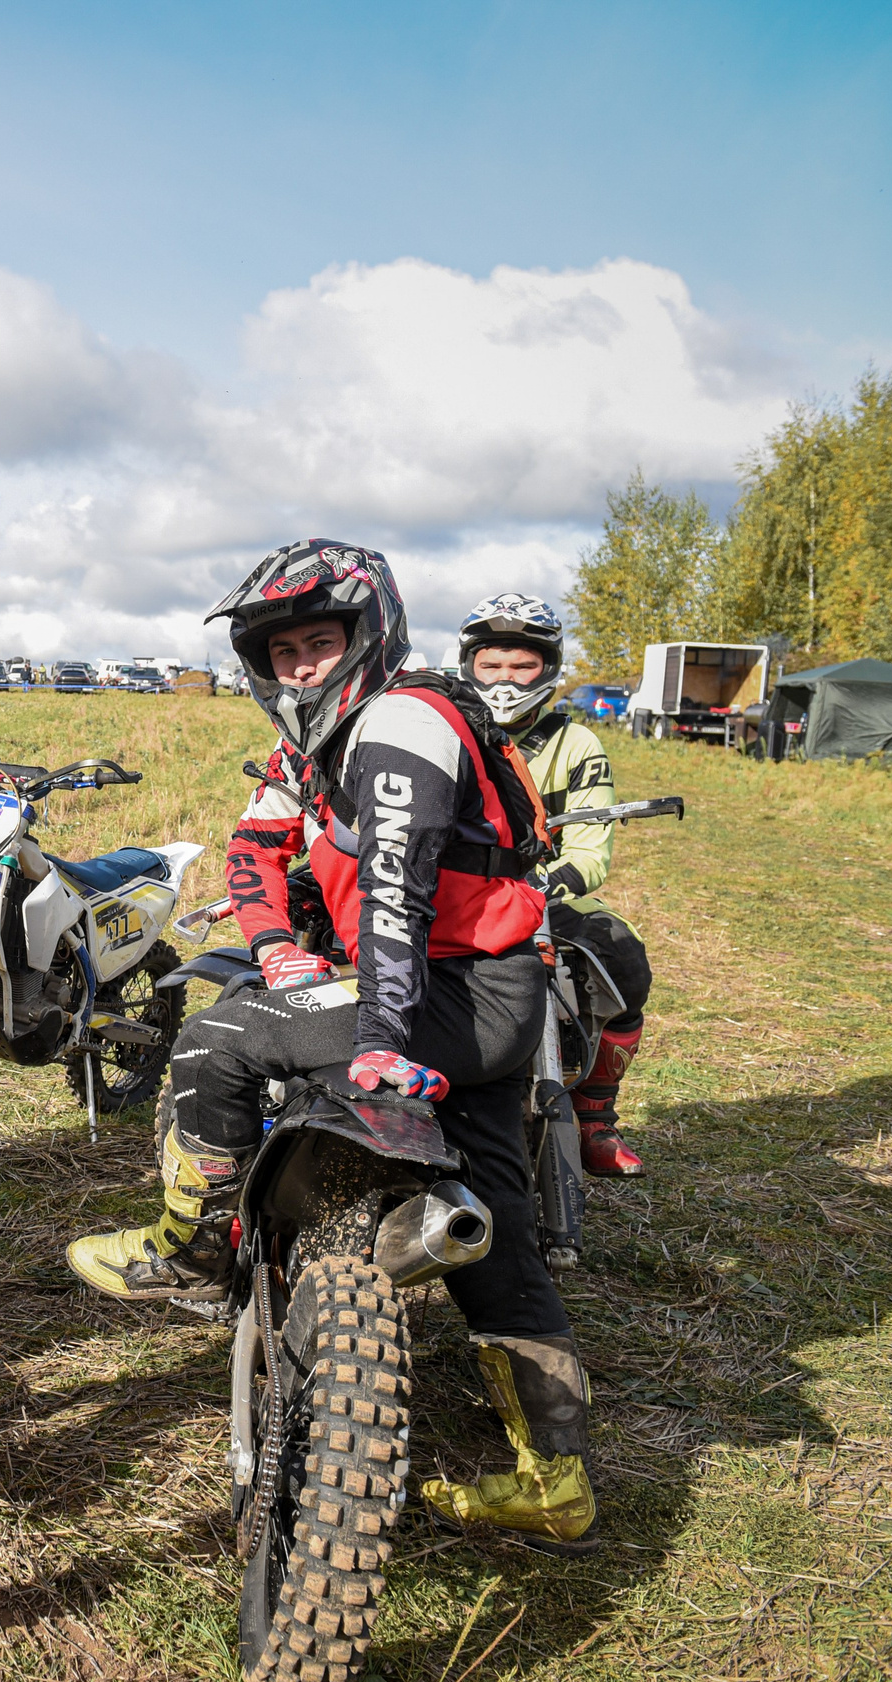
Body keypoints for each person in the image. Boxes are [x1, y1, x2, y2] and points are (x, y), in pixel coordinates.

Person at [63, 539, 600, 1550]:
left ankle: (187, 1250)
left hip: (444, 991)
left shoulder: (397, 721)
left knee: (217, 1035)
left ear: (369, 632)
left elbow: (395, 890)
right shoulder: (343, 738)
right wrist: (279, 947)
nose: (302, 664)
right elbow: (264, 853)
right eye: (282, 650)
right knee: (497, 1226)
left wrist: (380, 1035)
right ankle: (555, 1478)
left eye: (321, 641)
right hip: (492, 998)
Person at [460, 594, 651, 1177]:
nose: (505, 679)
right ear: (469, 666)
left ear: (548, 667)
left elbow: (592, 852)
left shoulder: (578, 746)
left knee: (623, 955)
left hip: (542, 893)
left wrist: (543, 883)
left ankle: (595, 1116)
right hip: (454, 895)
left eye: (521, 666)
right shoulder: (447, 729)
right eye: (492, 665)